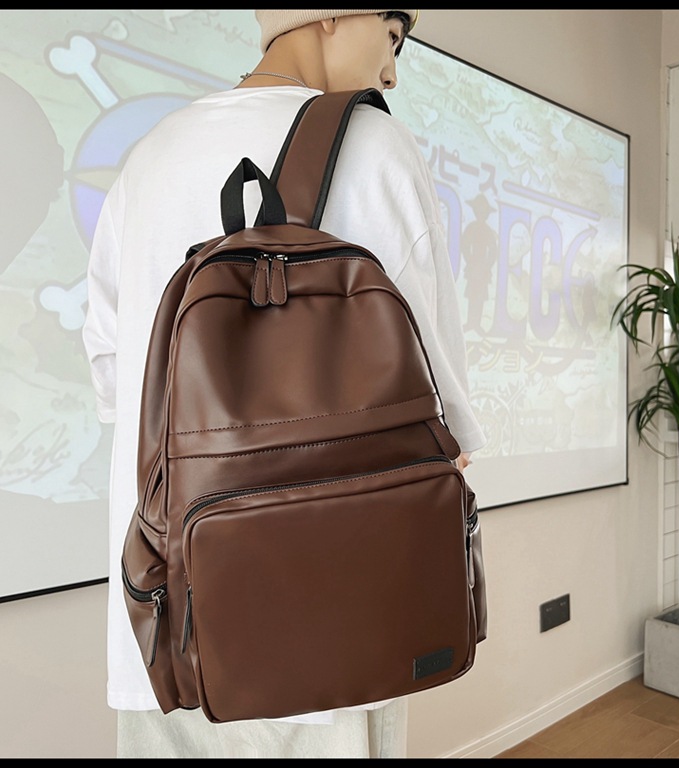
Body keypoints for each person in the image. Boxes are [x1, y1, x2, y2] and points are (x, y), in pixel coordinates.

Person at [82, 9, 486, 759]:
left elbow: (113, 379)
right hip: (335, 635)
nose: (392, 71)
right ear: (331, 16)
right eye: (393, 38)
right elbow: (443, 400)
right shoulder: (377, 145)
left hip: (169, 632)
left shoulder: (147, 156)